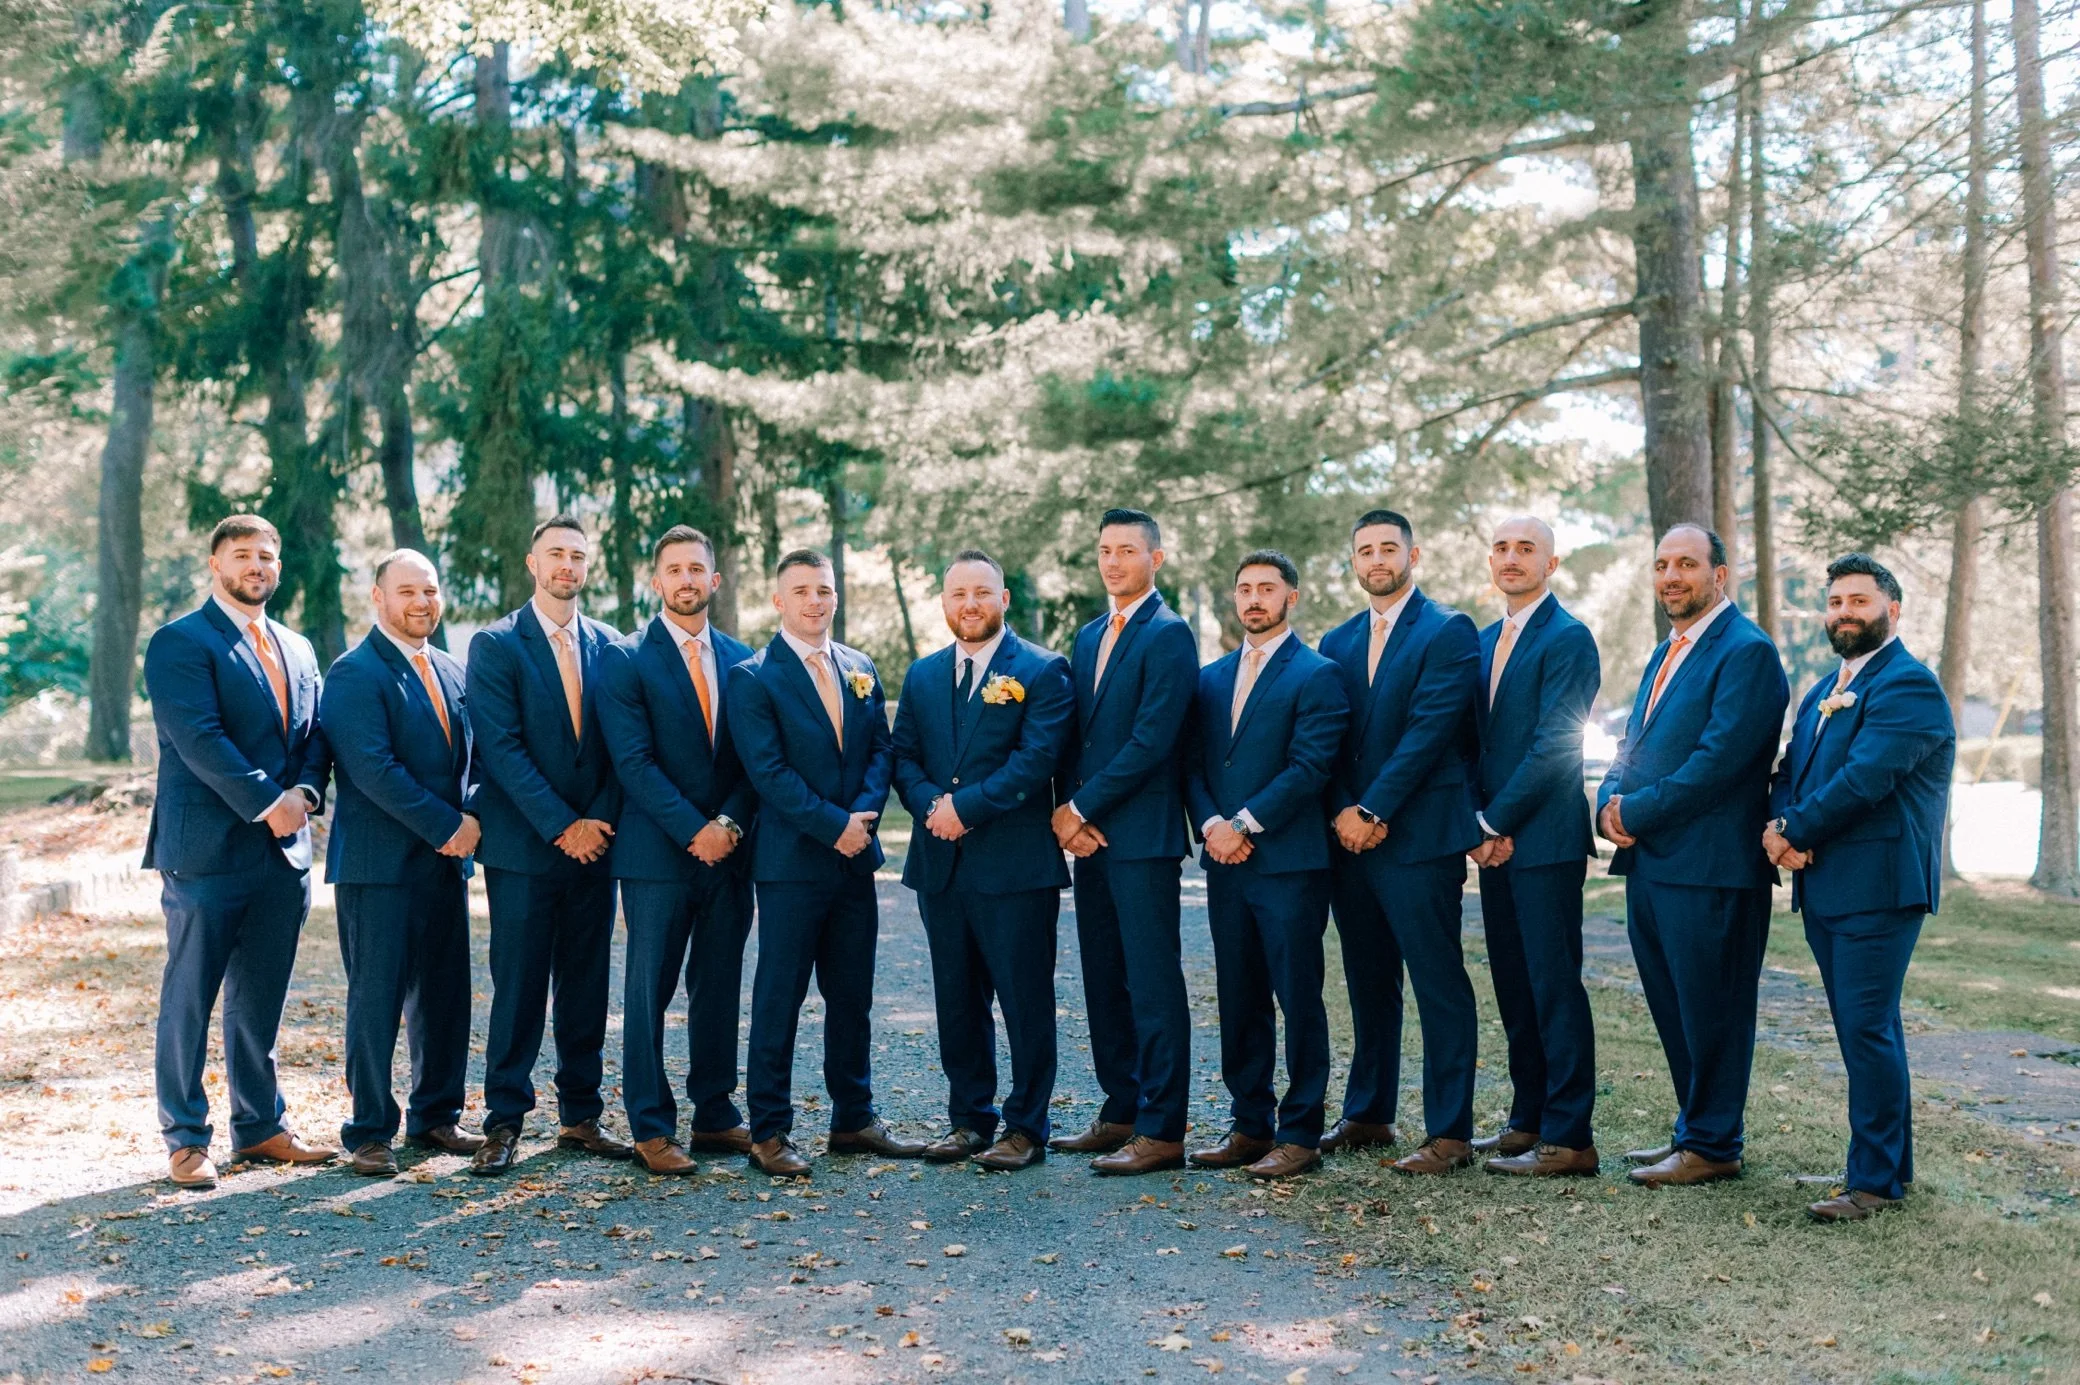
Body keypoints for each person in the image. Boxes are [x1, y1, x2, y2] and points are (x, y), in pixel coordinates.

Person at [143, 514, 335, 1186]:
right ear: (214, 563)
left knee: (261, 996)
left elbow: (316, 736)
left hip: (284, 851)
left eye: (268, 556)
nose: (258, 566)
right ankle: (186, 1136)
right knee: (190, 994)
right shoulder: (179, 642)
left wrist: (306, 793)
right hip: (207, 850)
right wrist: (266, 799)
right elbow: (198, 737)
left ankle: (259, 1126)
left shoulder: (299, 647)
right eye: (244, 555)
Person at [1598, 524, 1789, 1189]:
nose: (1671, 575)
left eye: (1686, 563)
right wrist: (1606, 800)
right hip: (1654, 863)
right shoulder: (1668, 650)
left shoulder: (1747, 652)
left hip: (1712, 867)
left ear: (1720, 575)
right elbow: (1634, 742)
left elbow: (1719, 763)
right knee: (1675, 1004)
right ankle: (1695, 1130)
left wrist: (1635, 810)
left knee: (1713, 1007)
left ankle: (1714, 1142)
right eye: (1661, 564)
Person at [1765, 554, 1954, 1221]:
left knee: (1867, 1027)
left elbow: (1866, 778)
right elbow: (1793, 769)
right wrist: (1784, 820)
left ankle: (1870, 1181)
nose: (1845, 612)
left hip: (1879, 884)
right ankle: (1886, 1167)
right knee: (1863, 1026)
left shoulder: (1909, 686)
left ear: (1892, 610)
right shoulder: (1824, 686)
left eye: (1860, 601)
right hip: (1827, 881)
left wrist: (1795, 829)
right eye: (1836, 601)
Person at [727, 549, 923, 1176]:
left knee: (851, 996)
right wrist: (832, 824)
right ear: (779, 601)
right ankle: (769, 1130)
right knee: (778, 998)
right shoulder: (753, 676)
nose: (816, 601)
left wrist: (859, 821)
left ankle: (854, 1119)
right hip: (789, 864)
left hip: (853, 862)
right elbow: (767, 772)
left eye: (825, 589)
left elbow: (880, 752)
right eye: (802, 590)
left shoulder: (861, 667)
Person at [892, 549, 1076, 1172]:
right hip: (940, 864)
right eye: (957, 595)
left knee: (1024, 999)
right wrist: (931, 807)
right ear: (943, 604)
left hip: (1015, 867)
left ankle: (1027, 1126)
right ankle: (968, 1119)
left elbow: (1037, 759)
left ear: (1003, 600)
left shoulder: (1044, 670)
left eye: (981, 593)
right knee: (956, 998)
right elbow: (904, 758)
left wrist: (964, 808)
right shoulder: (921, 675)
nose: (969, 605)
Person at [1318, 509, 1484, 1174]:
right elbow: (1324, 734)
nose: (1377, 559)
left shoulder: (1448, 630)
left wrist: (1374, 806)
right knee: (1367, 978)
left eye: (1389, 547)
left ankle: (1450, 1132)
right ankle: (1368, 1111)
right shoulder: (1334, 640)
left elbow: (1430, 730)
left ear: (1414, 554)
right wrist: (1341, 812)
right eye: (1366, 549)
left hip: (1419, 835)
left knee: (1437, 979)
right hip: (1351, 841)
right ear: (1354, 561)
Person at [466, 515, 629, 1175]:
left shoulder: (613, 646)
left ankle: (581, 1116)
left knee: (588, 984)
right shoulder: (495, 644)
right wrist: (564, 825)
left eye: (578, 555)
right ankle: (504, 1121)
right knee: (520, 986)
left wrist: (598, 822)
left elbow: (627, 748)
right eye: (556, 553)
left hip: (599, 847)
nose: (567, 564)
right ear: (533, 562)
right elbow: (500, 749)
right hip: (525, 849)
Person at [595, 527, 758, 1175]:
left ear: (715, 581)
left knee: (717, 985)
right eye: (674, 569)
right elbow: (633, 762)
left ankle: (716, 1112)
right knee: (648, 991)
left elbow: (755, 761)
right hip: (656, 855)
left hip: (729, 854)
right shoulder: (625, 658)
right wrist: (696, 829)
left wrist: (729, 824)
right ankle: (650, 1125)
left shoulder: (745, 659)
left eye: (698, 568)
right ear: (655, 581)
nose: (687, 579)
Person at [1183, 550, 1349, 1179]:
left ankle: (1301, 1132)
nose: (1254, 599)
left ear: (1291, 598)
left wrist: (1244, 824)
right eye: (1245, 589)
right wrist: (1212, 827)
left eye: (1267, 589)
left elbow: (1311, 767)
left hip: (1288, 863)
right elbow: (1194, 766)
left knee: (1298, 995)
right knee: (1240, 993)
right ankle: (1249, 1124)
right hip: (1225, 863)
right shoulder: (1210, 677)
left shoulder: (1317, 674)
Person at [320, 549, 483, 1176]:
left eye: (431, 591)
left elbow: (473, 760)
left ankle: (436, 1116)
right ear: (379, 598)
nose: (422, 603)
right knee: (377, 998)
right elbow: (372, 770)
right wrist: (449, 827)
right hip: (379, 867)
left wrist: (471, 817)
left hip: (444, 866)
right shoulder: (354, 673)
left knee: (445, 997)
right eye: (408, 591)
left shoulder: (450, 669)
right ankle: (367, 1131)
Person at [1048, 508, 1201, 1176]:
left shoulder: (1169, 635)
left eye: (1128, 550)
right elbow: (1077, 734)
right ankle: (1121, 1108)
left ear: (1156, 558)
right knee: (1104, 975)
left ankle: (1163, 1128)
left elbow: (1151, 740)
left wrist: (1081, 804)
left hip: (1142, 835)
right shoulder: (1088, 637)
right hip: (1093, 839)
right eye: (1105, 550)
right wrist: (1070, 815)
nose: (1114, 561)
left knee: (1152, 979)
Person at [1468, 518, 1603, 1177]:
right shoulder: (1486, 638)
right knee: (1515, 984)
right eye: (1502, 548)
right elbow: (1475, 741)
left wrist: (1494, 821)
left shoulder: (1568, 637)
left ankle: (1570, 1134)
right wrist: (1479, 825)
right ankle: (1527, 1118)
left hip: (1544, 839)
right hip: (1495, 841)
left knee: (1553, 985)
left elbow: (1556, 743)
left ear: (1552, 563)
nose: (1512, 558)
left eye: (1527, 549)